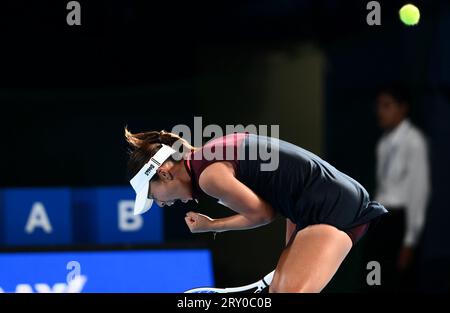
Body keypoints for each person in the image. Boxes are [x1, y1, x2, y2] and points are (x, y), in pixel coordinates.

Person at [125, 129, 387, 293]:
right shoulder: (208, 157)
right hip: (308, 206)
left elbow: (262, 214)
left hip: (330, 205)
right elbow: (276, 194)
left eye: (153, 196)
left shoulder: (208, 177)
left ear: (163, 173)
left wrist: (211, 225)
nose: (160, 204)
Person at [368, 84, 430, 291]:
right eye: (379, 106)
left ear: (403, 108)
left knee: (398, 283)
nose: (380, 112)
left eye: (387, 106)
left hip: (399, 223)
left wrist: (409, 241)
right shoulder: (384, 143)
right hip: (380, 220)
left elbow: (418, 194)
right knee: (373, 279)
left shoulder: (414, 142)